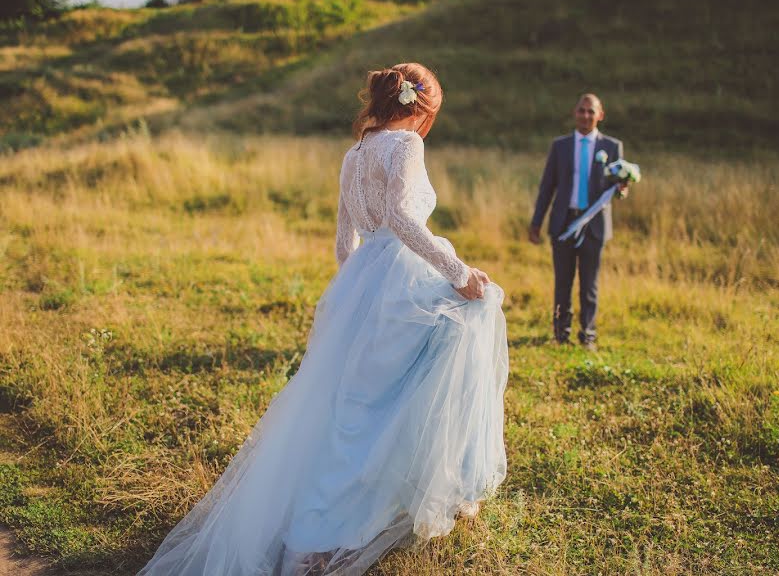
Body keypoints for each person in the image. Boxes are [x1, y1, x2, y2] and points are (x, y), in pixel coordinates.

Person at [138, 63, 509, 576]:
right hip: (399, 276)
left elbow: (344, 244)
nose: (429, 126)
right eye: (431, 116)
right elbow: (402, 218)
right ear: (418, 109)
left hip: (362, 283)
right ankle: (449, 484)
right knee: (477, 309)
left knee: (353, 409)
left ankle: (391, 498)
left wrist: (357, 296)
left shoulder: (353, 154)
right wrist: (457, 271)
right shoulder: (405, 145)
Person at [528, 93, 628, 350]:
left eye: (591, 111)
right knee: (562, 281)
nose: (586, 116)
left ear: (600, 115)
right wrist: (537, 222)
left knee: (589, 284)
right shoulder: (560, 146)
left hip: (594, 225)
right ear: (575, 113)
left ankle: (588, 335)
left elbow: (617, 187)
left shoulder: (612, 147)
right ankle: (561, 334)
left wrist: (623, 188)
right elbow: (547, 187)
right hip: (563, 223)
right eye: (582, 111)